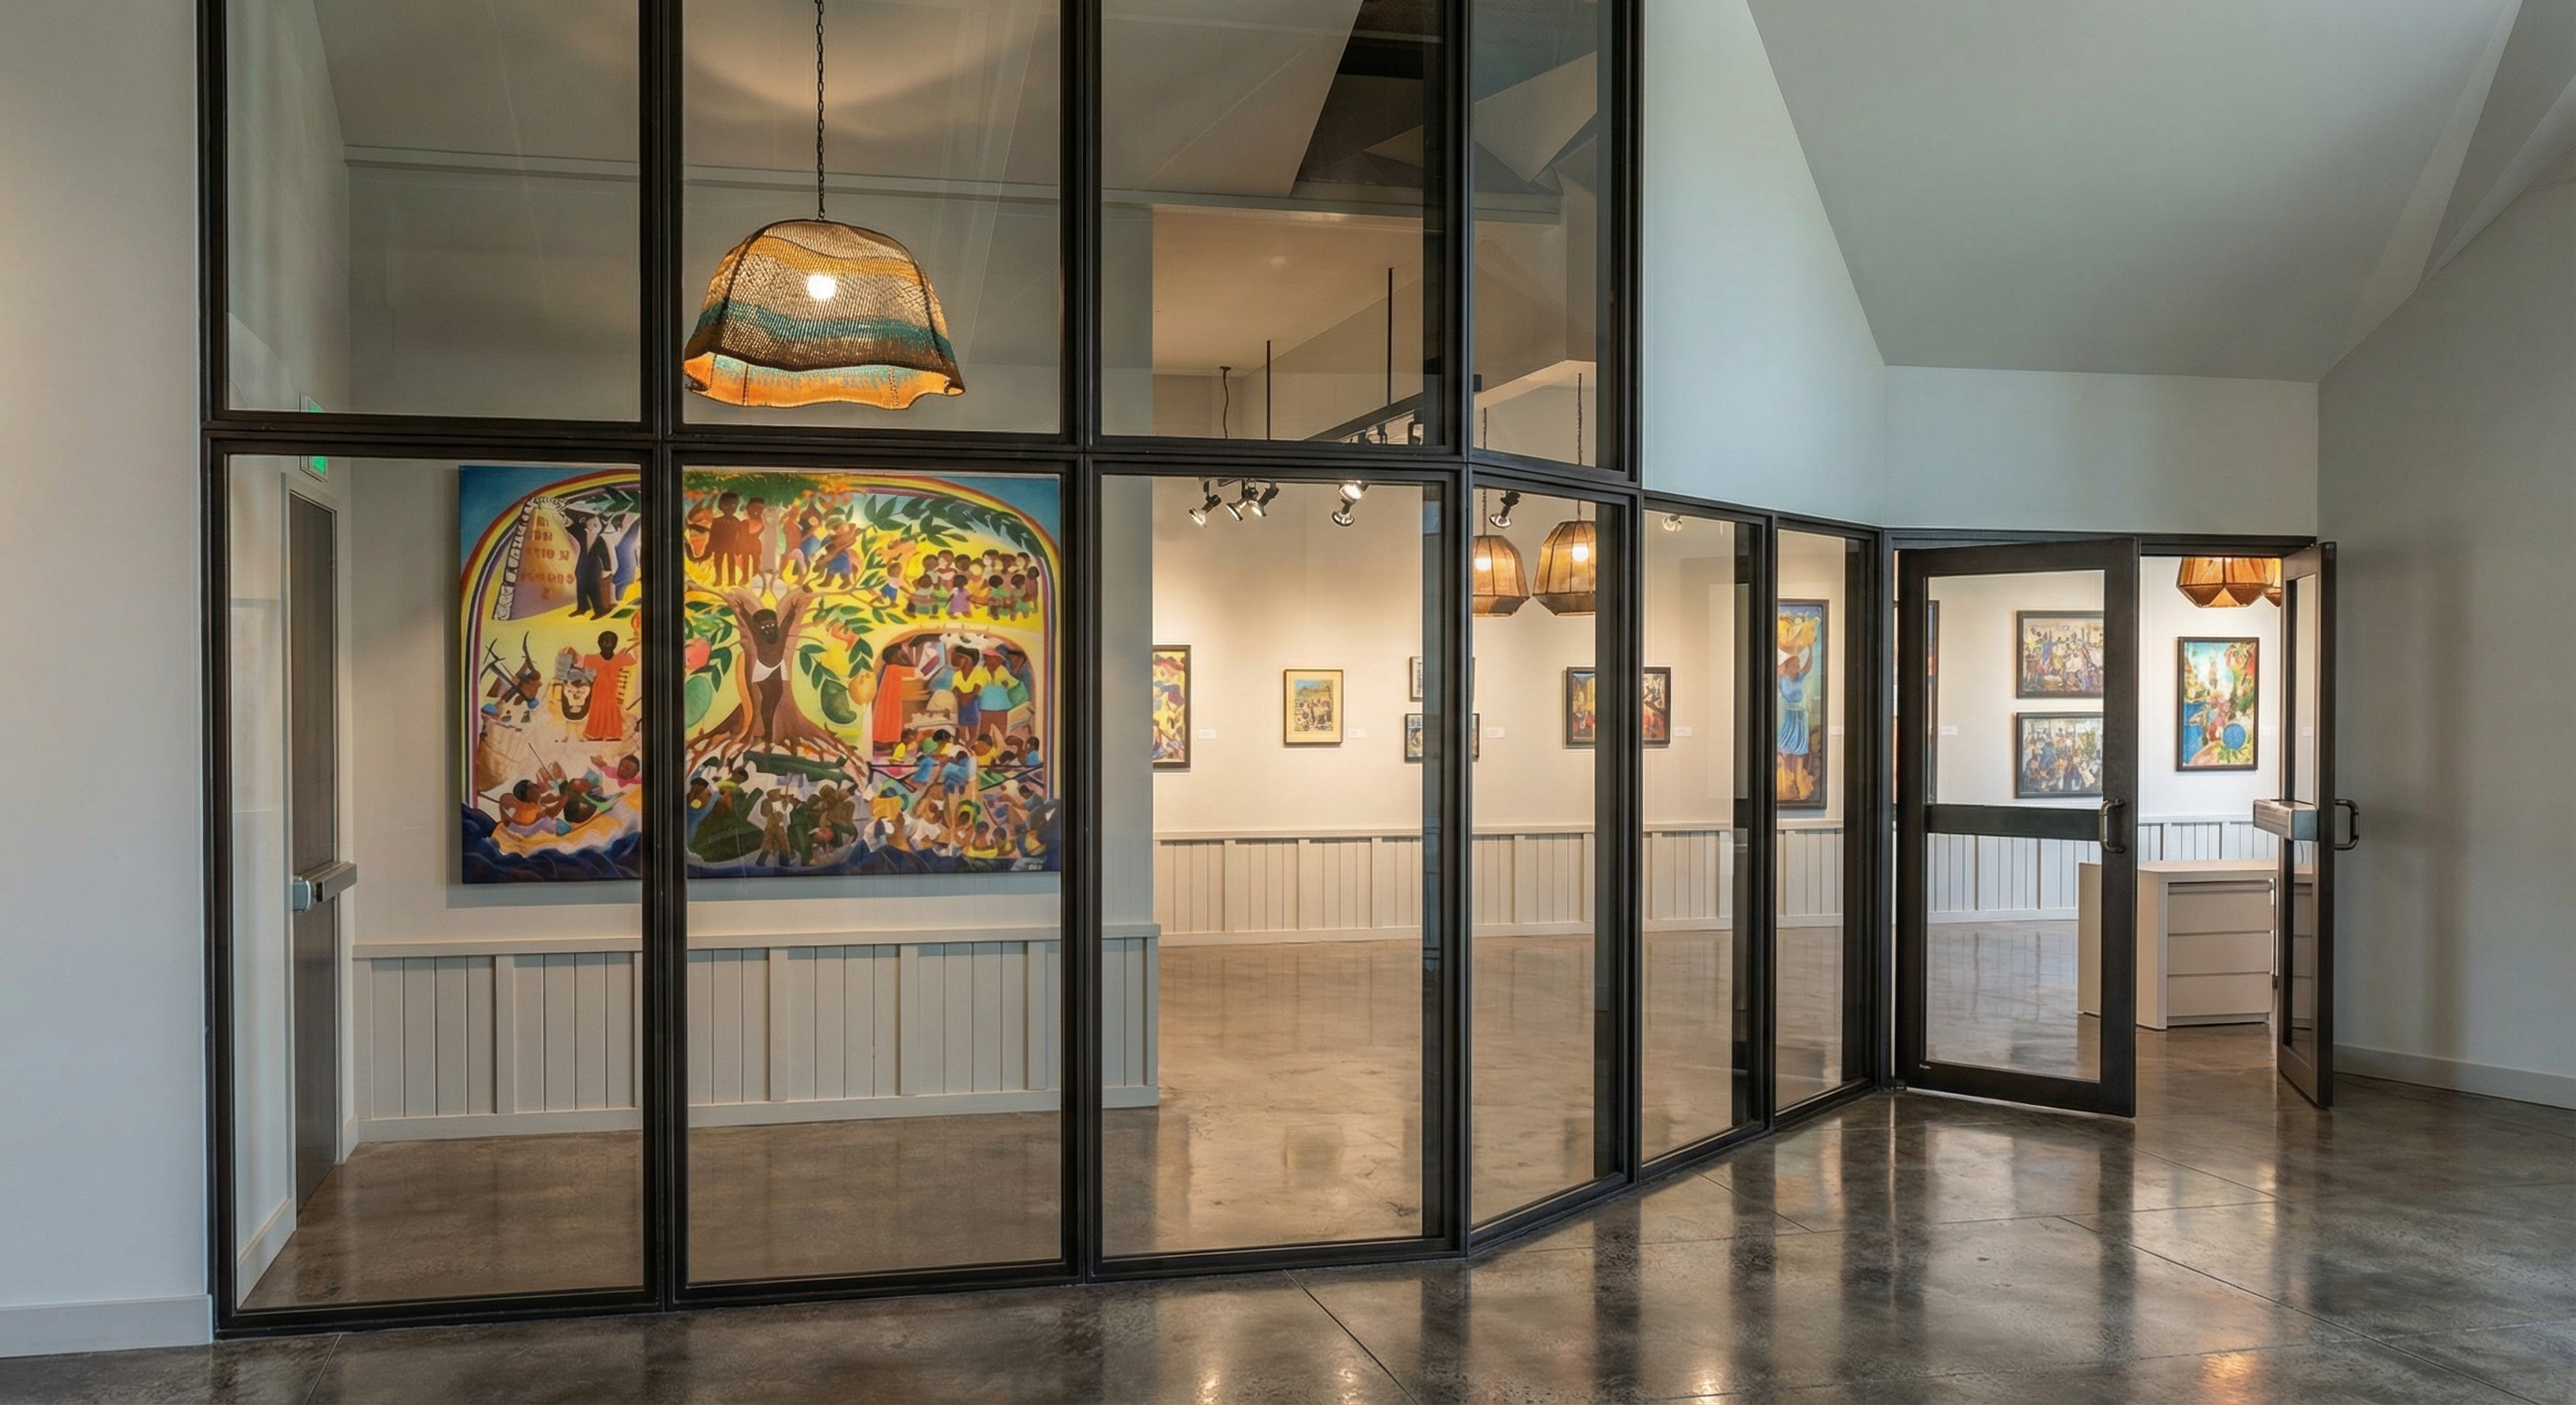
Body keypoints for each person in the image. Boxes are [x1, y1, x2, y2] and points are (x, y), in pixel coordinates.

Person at [577, 631, 634, 745]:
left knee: (614, 712)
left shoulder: (622, 658)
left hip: (615, 693)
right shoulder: (591, 658)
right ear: (599, 642)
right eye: (606, 640)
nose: (609, 643)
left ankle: (613, 733)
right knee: (597, 712)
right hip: (598, 693)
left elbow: (636, 666)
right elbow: (579, 665)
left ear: (616, 643)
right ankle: (594, 734)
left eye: (612, 640)